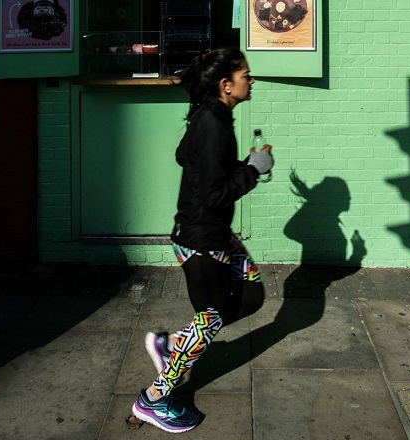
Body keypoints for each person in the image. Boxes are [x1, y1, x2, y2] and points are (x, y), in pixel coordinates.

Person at [130, 47, 274, 433]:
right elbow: (213, 194)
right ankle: (155, 398)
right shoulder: (212, 123)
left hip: (214, 234)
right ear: (227, 85)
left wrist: (236, 165)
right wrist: (253, 170)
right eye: (246, 74)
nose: (252, 80)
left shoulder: (211, 116)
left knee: (252, 295)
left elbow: (183, 156)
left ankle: (174, 345)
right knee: (209, 319)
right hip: (200, 238)